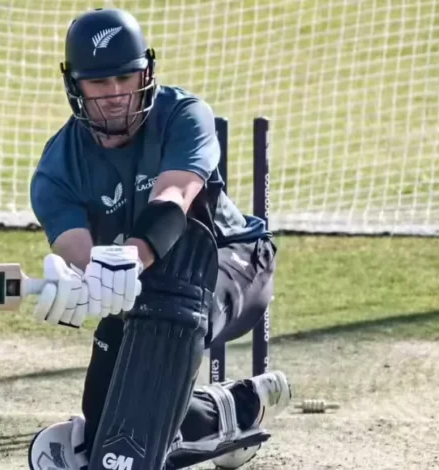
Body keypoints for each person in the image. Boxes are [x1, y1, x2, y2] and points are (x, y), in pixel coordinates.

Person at [26, 7, 292, 470]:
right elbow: (79, 251)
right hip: (148, 293)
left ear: (146, 72)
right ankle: (235, 410)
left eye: (125, 78)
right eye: (99, 83)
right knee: (110, 420)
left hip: (232, 262)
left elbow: (173, 199)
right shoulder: (56, 170)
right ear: (75, 86)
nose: (116, 95)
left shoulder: (184, 114)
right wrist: (82, 284)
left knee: (165, 313)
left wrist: (125, 261)